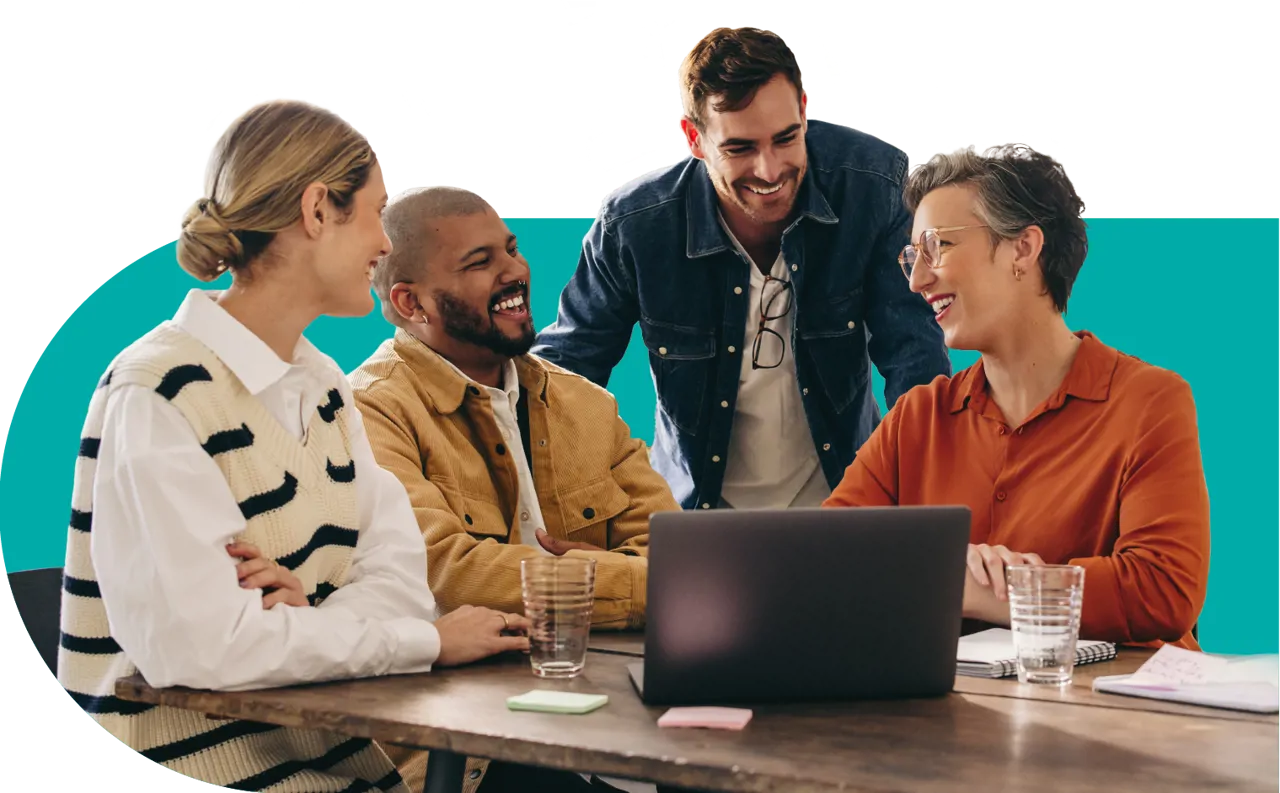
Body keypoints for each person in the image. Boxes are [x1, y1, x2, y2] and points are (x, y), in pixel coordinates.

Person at [54, 96, 532, 793]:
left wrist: (306, 607)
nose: (384, 241)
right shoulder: (157, 393)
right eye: (374, 210)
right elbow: (204, 651)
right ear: (316, 211)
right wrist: (426, 642)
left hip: (342, 768)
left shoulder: (323, 385)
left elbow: (402, 583)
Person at [531, 24, 952, 513]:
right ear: (694, 137)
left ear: (804, 109)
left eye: (786, 138)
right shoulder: (634, 224)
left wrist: (920, 510)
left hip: (844, 508)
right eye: (739, 148)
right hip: (694, 519)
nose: (770, 170)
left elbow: (913, 359)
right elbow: (565, 376)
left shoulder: (875, 184)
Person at [350, 183, 681, 792]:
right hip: (472, 743)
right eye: (480, 263)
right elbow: (450, 570)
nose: (515, 272)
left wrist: (641, 579)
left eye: (510, 249)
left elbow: (674, 552)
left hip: (611, 718)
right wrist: (619, 582)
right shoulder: (370, 412)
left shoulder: (584, 403)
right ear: (410, 301)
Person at [822, 140, 1210, 651]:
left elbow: (1163, 590)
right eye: (912, 256)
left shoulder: (1150, 403)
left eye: (938, 246)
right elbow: (825, 563)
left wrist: (993, 592)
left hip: (1119, 719)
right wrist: (950, 574)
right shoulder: (917, 418)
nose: (917, 280)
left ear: (1023, 249)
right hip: (956, 716)